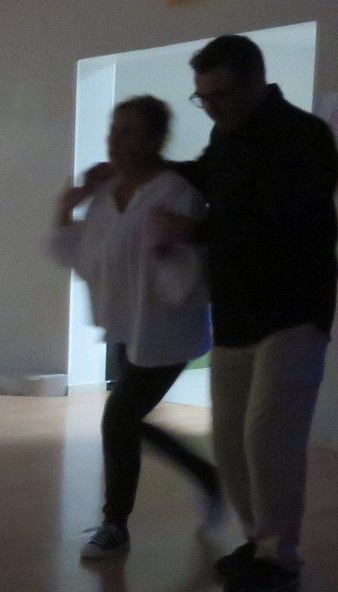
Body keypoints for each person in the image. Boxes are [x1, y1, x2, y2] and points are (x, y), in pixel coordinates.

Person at [152, 35, 337, 592]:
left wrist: (194, 230)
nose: (211, 107)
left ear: (256, 81)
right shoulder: (225, 135)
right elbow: (207, 176)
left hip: (294, 310)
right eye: (203, 98)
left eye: (221, 95)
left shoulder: (304, 136)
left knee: (268, 434)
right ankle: (261, 543)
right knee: (231, 436)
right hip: (235, 311)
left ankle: (279, 557)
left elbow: (276, 220)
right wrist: (142, 168)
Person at [50, 95, 220, 560]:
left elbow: (191, 277)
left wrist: (168, 251)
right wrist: (68, 207)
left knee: (119, 418)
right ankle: (205, 475)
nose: (116, 141)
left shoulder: (176, 192)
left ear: (154, 140)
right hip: (126, 326)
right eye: (113, 130)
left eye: (128, 132)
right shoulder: (107, 194)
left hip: (167, 332)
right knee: (129, 419)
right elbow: (84, 256)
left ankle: (115, 525)